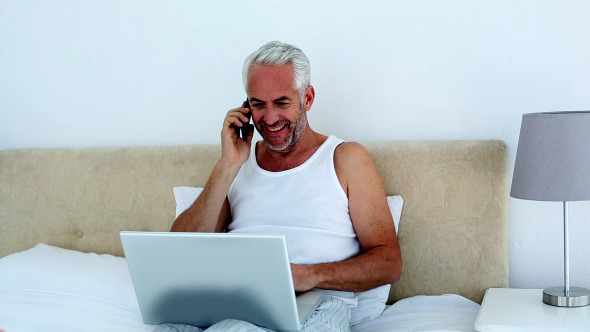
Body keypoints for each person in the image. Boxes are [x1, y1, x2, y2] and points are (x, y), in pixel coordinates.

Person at [168, 41, 402, 331]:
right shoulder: (238, 166)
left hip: (315, 303)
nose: (269, 118)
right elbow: (178, 252)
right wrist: (228, 165)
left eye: (281, 102)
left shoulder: (345, 158)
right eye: (258, 105)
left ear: (308, 98)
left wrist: (309, 275)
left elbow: (389, 262)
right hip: (234, 303)